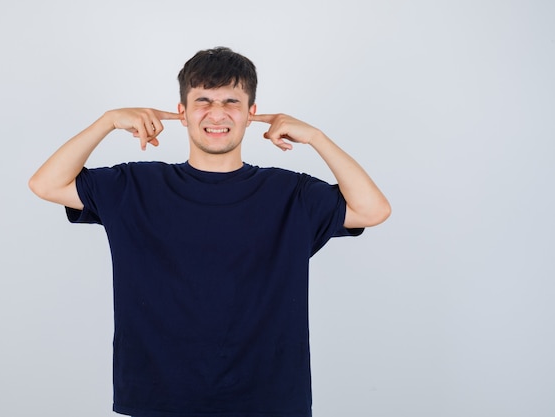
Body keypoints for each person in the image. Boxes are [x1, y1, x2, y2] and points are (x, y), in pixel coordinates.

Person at [29, 46, 390, 417]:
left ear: (252, 114)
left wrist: (316, 137)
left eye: (231, 101)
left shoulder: (291, 194)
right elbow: (47, 184)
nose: (217, 114)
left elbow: (372, 209)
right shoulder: (134, 185)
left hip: (268, 400)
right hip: (159, 399)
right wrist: (105, 121)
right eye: (203, 100)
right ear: (181, 113)